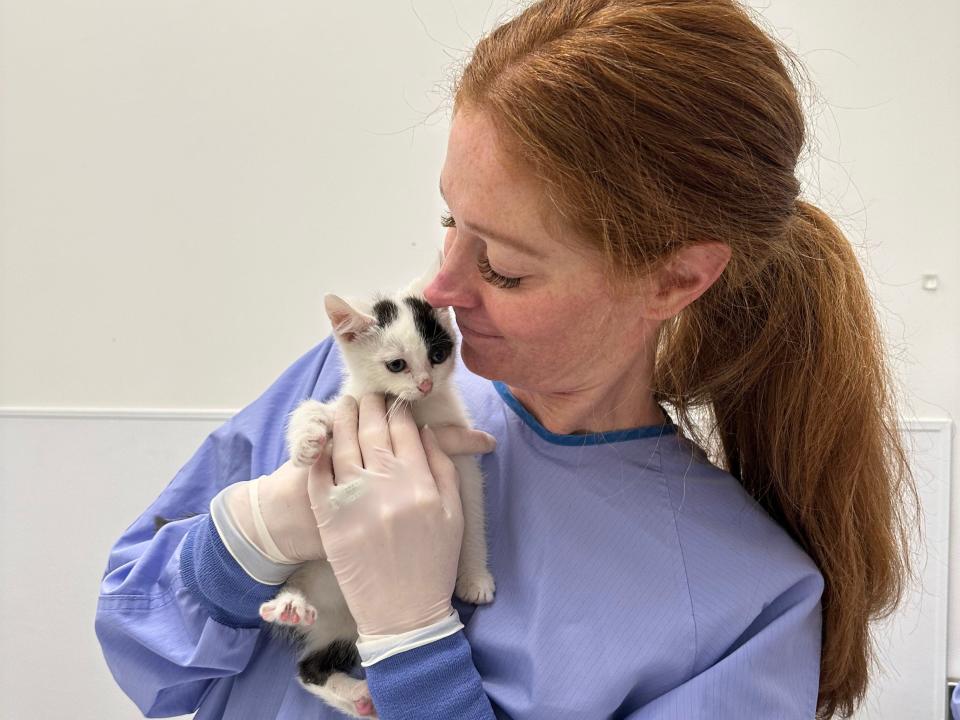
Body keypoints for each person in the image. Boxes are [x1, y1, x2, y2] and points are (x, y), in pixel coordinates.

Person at [95, 1, 919, 718]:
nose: (439, 288)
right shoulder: (362, 380)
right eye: (450, 220)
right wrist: (252, 534)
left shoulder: (746, 606)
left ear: (676, 277)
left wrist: (414, 640)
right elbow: (140, 631)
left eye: (504, 268)